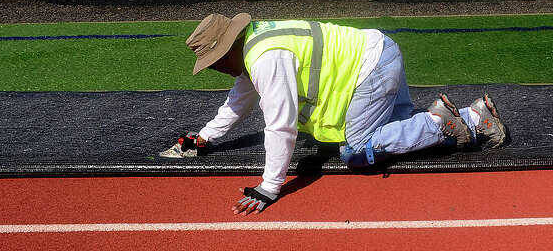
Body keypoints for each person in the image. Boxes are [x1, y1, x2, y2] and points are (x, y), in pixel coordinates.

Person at [165, 13, 509, 215]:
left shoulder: (265, 58)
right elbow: (239, 99)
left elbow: (280, 125)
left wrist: (270, 187)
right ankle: (476, 116)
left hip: (372, 69)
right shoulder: (257, 41)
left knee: (356, 151)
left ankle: (438, 122)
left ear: (227, 50)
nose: (216, 70)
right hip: (379, 53)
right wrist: (205, 137)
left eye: (214, 62)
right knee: (398, 133)